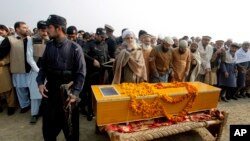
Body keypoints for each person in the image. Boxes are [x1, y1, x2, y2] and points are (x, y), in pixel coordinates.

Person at [36, 14, 86, 141]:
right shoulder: (49, 46)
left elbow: (80, 74)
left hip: (68, 95)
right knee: (48, 131)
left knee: (71, 131)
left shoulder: (75, 48)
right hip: (50, 93)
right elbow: (42, 68)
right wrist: (40, 83)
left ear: (58, 28)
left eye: (49, 27)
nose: (47, 30)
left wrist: (75, 94)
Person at [0, 22, 32, 114]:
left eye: (27, 27)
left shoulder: (31, 39)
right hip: (18, 69)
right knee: (20, 89)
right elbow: (1, 52)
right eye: (24, 27)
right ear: (17, 29)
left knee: (33, 88)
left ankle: (34, 106)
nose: (26, 29)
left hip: (31, 69)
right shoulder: (9, 40)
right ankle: (24, 105)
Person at [27, 20, 49, 124]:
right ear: (38, 30)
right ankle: (34, 114)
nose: (45, 33)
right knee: (35, 95)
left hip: (48, 72)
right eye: (42, 30)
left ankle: (44, 112)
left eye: (46, 30)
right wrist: (38, 70)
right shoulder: (32, 39)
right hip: (36, 71)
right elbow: (29, 58)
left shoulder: (50, 40)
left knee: (46, 93)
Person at [0, 24, 18, 115]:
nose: (0, 31)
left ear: (7, 31)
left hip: (3, 68)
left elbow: (10, 55)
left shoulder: (10, 41)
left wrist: (3, 62)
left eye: (2, 30)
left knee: (8, 89)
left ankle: (11, 106)